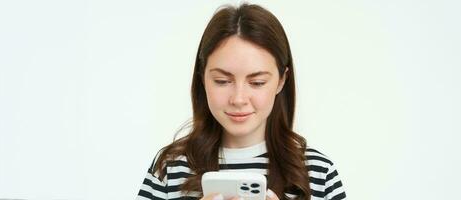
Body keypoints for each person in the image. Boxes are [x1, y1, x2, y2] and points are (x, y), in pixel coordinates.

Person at [136, 3, 346, 200]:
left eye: (257, 82)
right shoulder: (170, 169)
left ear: (281, 80)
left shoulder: (318, 173)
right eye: (222, 81)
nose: (238, 99)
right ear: (202, 78)